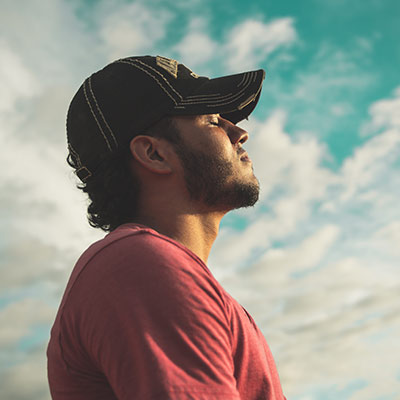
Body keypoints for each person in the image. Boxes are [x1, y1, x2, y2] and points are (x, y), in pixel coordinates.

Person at [47, 55, 286, 399]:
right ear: (154, 154)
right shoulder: (140, 265)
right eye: (211, 120)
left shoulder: (152, 268)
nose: (240, 132)